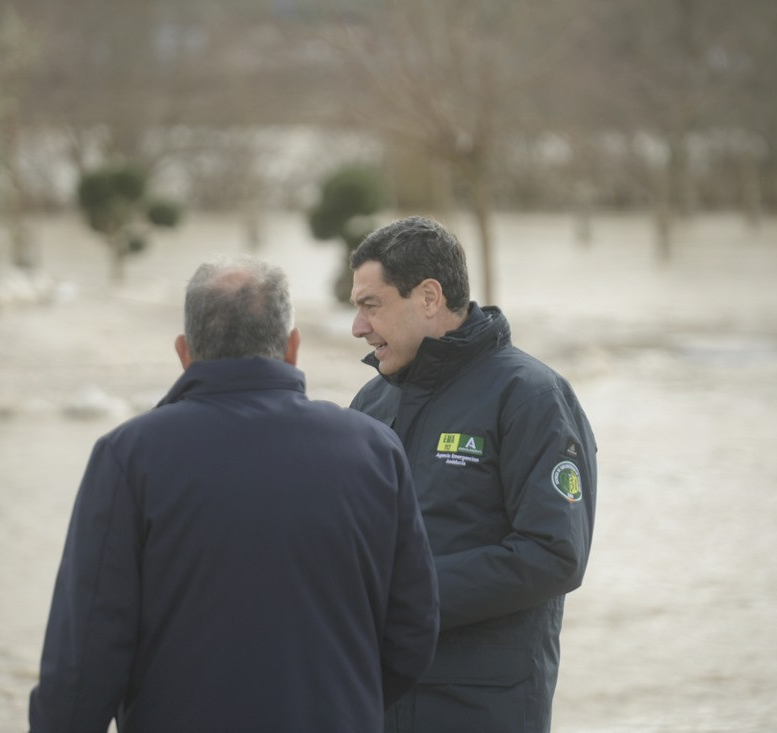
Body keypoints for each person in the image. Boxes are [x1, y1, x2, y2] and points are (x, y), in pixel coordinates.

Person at [29, 256, 439, 733]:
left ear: (184, 353)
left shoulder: (130, 457)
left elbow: (83, 664)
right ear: (293, 348)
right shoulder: (375, 451)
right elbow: (412, 630)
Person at [347, 216, 598, 733]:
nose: (358, 327)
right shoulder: (370, 403)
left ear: (429, 297)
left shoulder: (530, 396)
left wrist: (408, 597)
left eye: (371, 306)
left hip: (481, 707)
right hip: (375, 700)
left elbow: (554, 555)